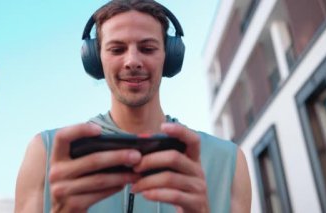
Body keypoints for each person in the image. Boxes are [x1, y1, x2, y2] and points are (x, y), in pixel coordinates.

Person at [15, 0, 251, 212]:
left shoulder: (228, 162)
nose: (132, 61)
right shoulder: (45, 152)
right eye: (117, 49)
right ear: (96, 60)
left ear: (169, 57)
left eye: (147, 48)